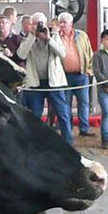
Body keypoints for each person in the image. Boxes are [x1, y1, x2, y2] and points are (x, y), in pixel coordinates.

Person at [16, 11, 72, 142]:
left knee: (62, 113)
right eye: (35, 24)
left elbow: (63, 53)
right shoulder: (27, 39)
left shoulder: (54, 36)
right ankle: (36, 143)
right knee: (35, 114)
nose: (38, 26)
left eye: (40, 23)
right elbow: (21, 55)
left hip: (54, 82)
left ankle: (68, 142)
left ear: (46, 23)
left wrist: (48, 38)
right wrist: (32, 35)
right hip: (36, 83)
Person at [57, 11, 95, 137]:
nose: (62, 25)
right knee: (65, 104)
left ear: (71, 23)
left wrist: (89, 71)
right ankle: (68, 129)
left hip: (81, 75)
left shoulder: (82, 35)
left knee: (84, 103)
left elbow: (89, 52)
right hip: (64, 77)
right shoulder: (56, 37)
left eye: (65, 22)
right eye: (60, 22)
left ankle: (84, 129)